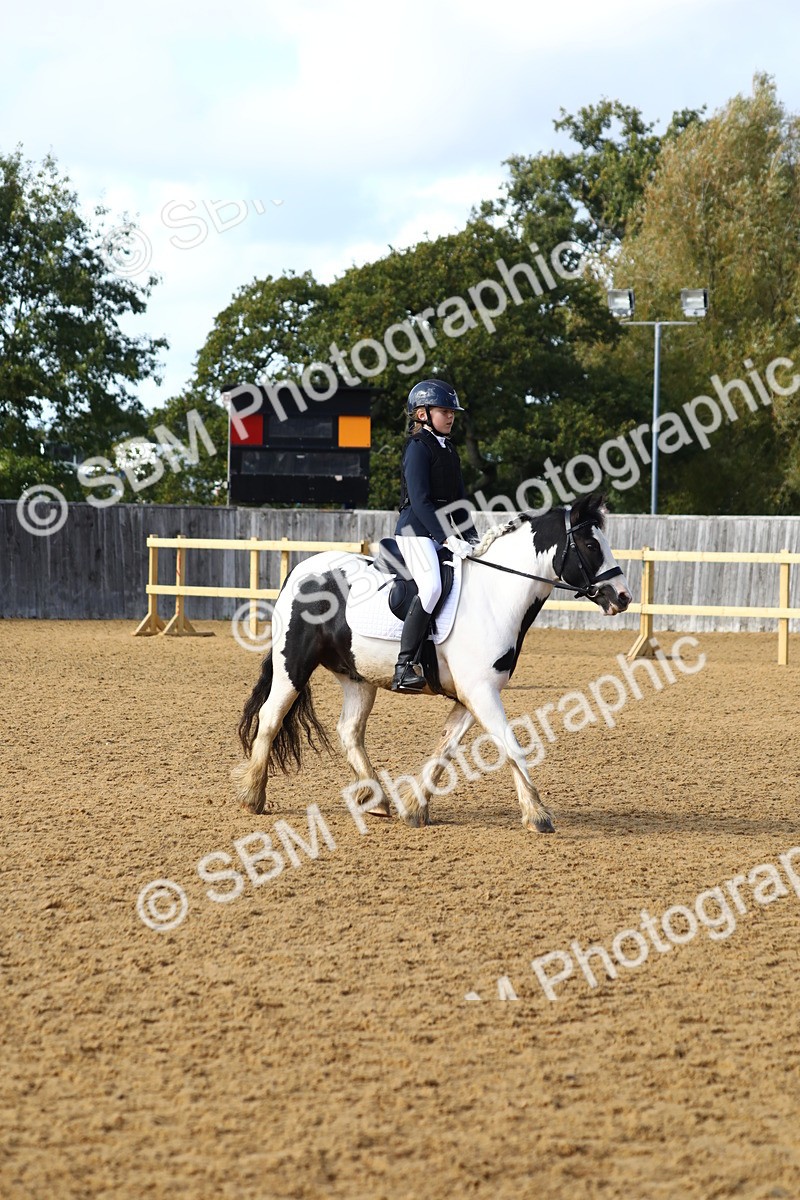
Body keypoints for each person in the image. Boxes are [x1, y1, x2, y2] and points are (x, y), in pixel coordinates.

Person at [391, 379, 479, 693]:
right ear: (423, 414)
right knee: (430, 587)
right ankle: (403, 667)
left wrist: (471, 537)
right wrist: (445, 538)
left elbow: (458, 501)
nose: (451, 416)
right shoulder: (417, 447)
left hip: (442, 533)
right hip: (415, 531)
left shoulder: (449, 449)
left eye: (452, 411)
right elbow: (420, 500)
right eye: (444, 411)